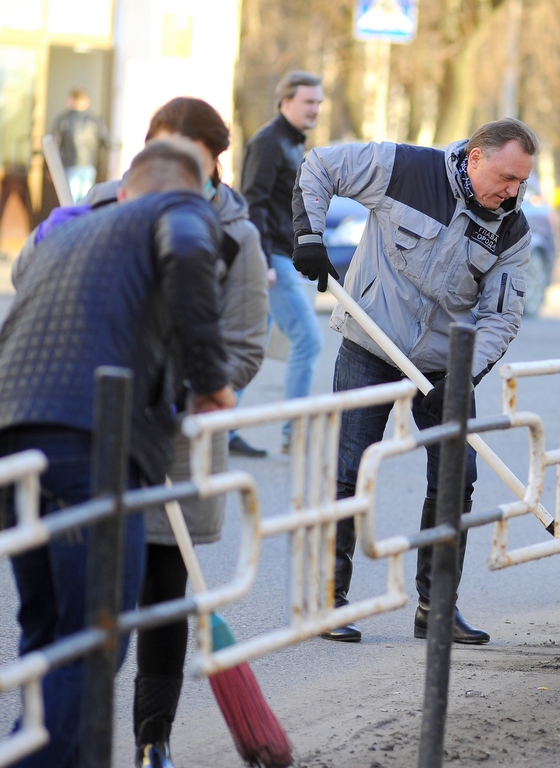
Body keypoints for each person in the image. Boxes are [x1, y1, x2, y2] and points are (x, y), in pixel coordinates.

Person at [0, 140, 234, 768]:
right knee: (95, 636)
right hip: (87, 440)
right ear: (191, 186)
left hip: (12, 432)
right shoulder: (180, 211)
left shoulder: (69, 235)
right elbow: (187, 252)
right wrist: (212, 380)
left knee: (49, 629)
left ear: (124, 189)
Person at [72, 97, 269, 766]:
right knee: (89, 591)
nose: (173, 167)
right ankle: (77, 735)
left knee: (162, 594)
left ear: (217, 161)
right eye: (161, 151)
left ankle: (152, 740)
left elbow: (244, 346)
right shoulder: (102, 203)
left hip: (180, 439)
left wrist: (179, 393)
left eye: (190, 156)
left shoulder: (235, 234)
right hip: (95, 432)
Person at [291, 117, 538, 644]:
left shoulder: (511, 229)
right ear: (475, 158)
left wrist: (464, 374)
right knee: (349, 469)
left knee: (457, 475)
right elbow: (320, 166)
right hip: (370, 343)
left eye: (522, 182)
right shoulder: (404, 169)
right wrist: (309, 234)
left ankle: (437, 607)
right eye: (507, 178)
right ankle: (327, 602)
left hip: (445, 362)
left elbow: (501, 317)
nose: (513, 191)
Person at [237, 70, 326, 456]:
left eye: (319, 103)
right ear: (285, 101)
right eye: (309, 102)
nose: (316, 109)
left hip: (283, 256)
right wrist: (260, 260)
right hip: (271, 258)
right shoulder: (270, 142)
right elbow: (252, 200)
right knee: (308, 340)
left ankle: (216, 428)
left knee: (251, 348)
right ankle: (294, 434)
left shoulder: (292, 143)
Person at [52, 87, 109, 201]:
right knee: (85, 199)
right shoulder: (94, 120)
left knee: (69, 200)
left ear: (70, 100)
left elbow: (54, 143)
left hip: (71, 165)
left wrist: (53, 167)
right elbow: (106, 141)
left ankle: (73, 219)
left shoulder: (64, 120)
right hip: (89, 165)